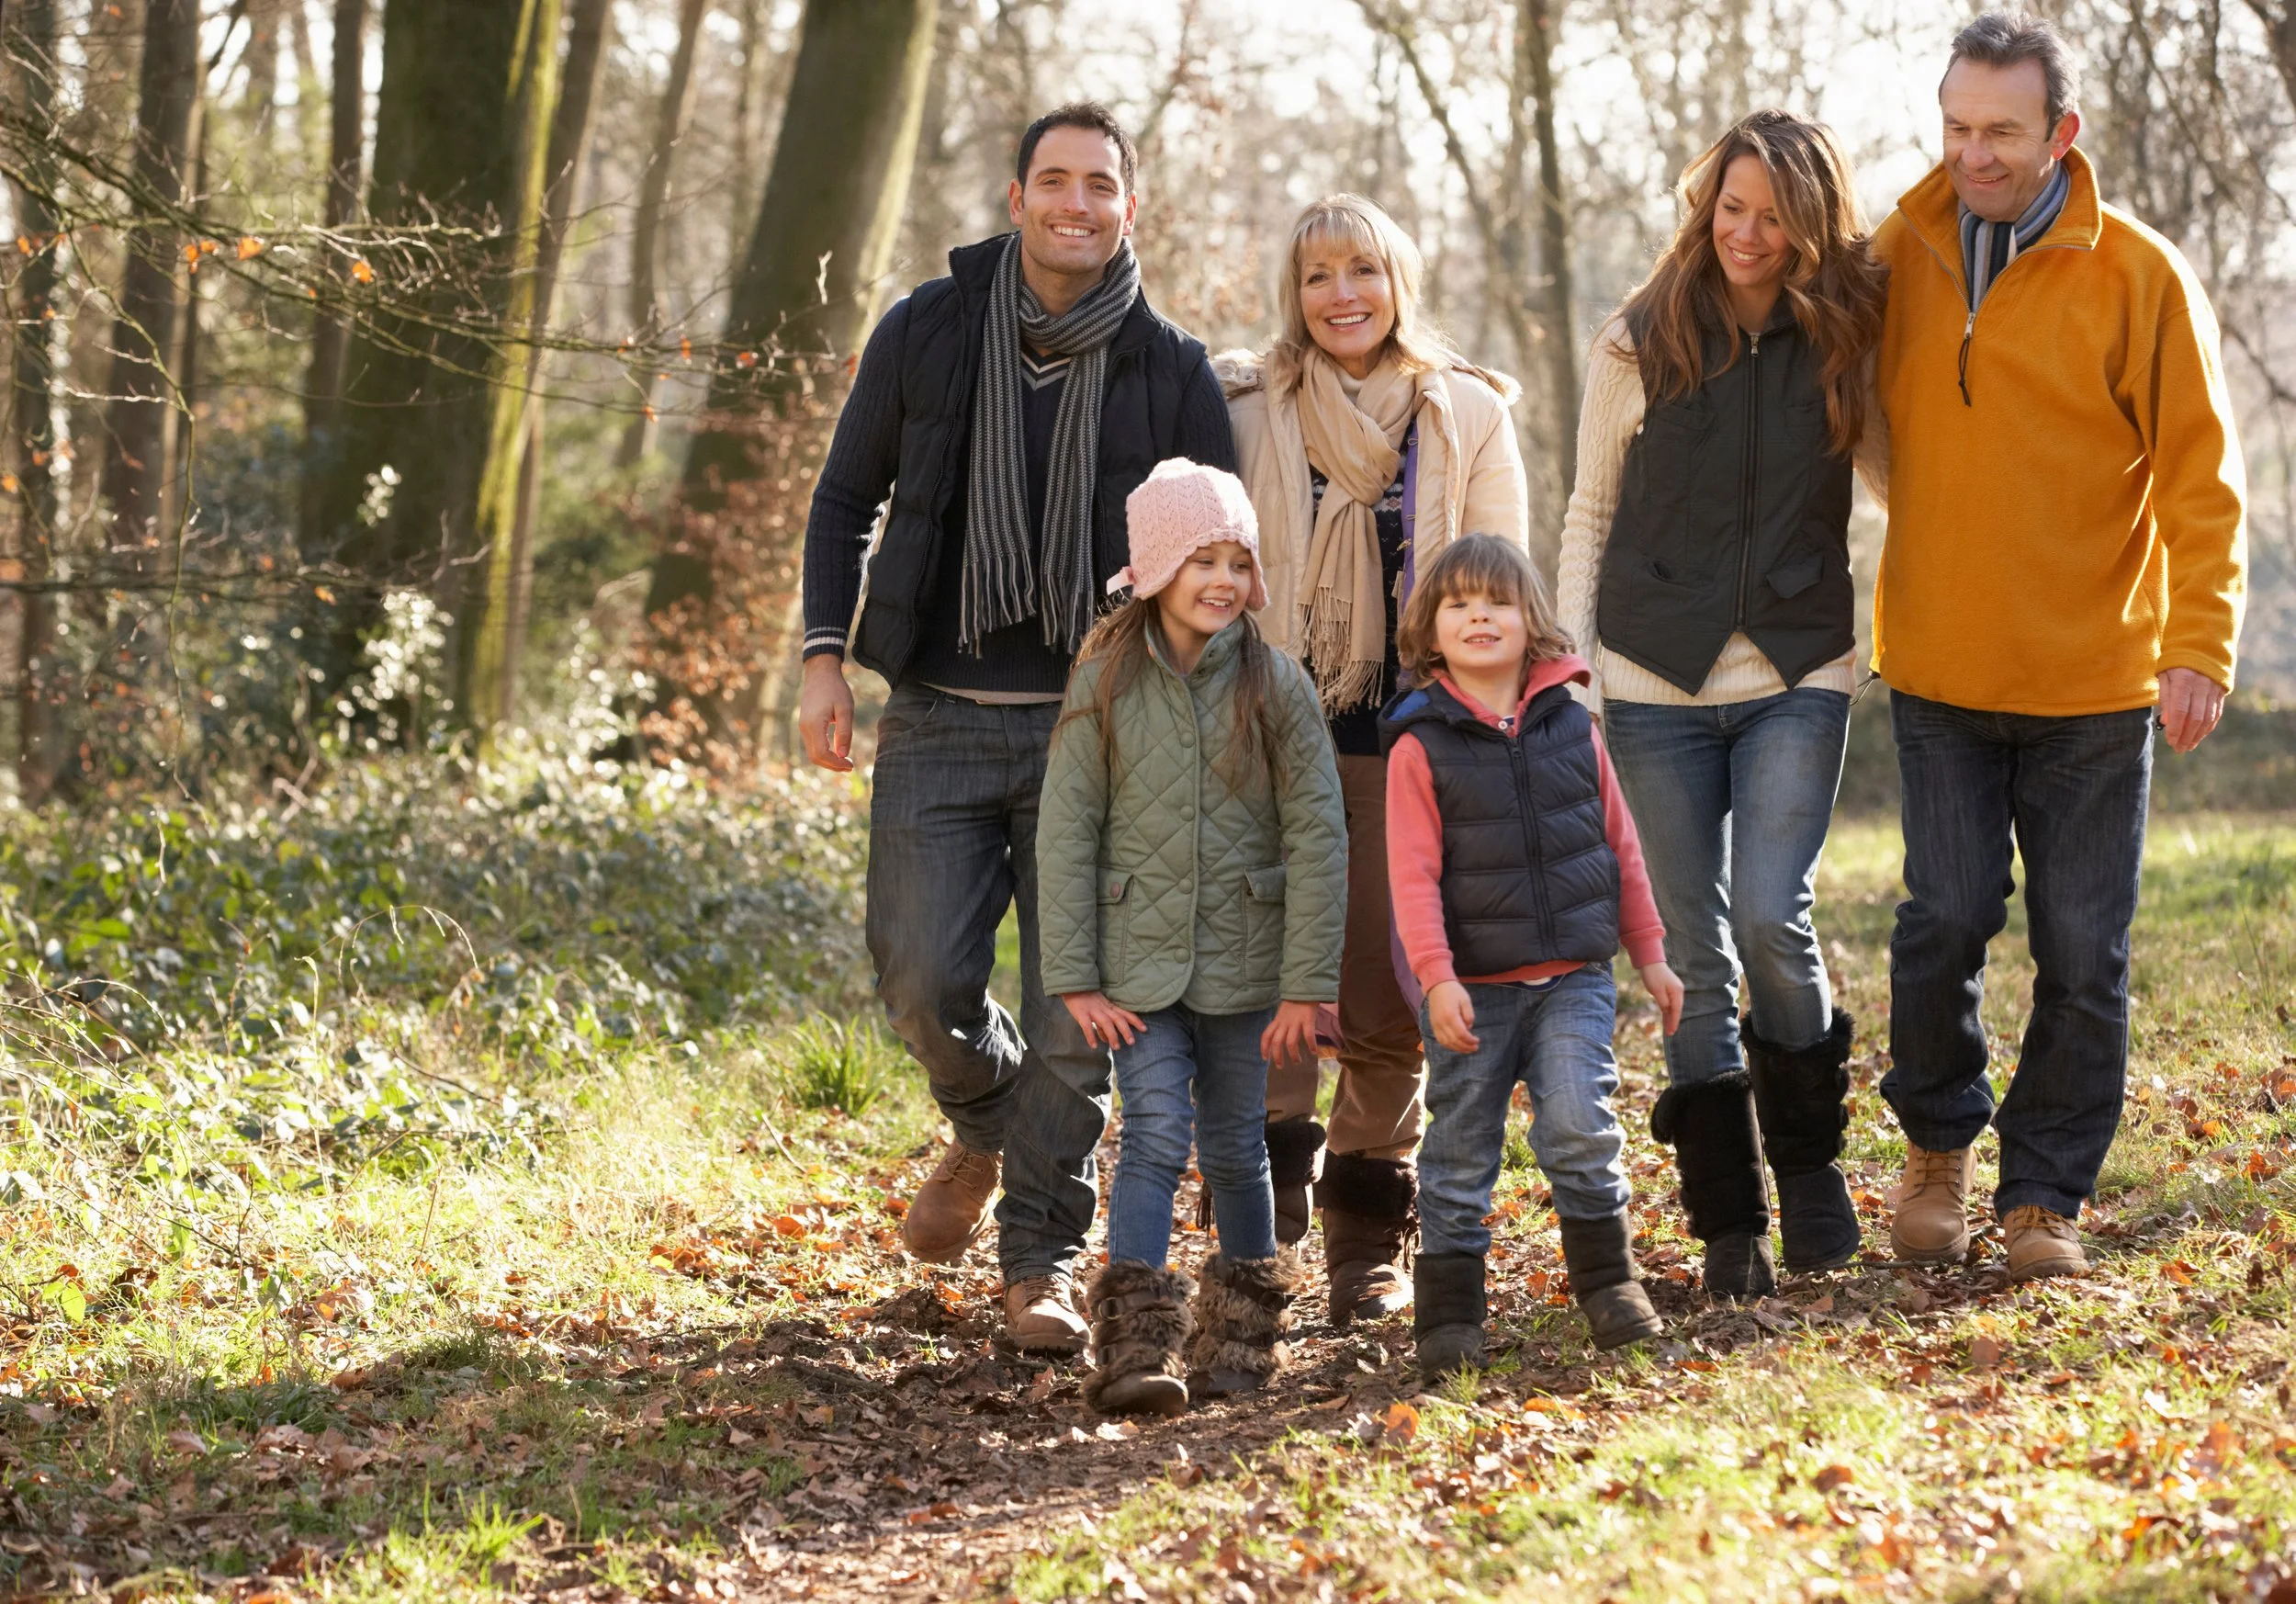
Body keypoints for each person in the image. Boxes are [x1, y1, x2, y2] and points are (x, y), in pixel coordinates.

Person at [796, 104, 1237, 1350]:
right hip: (934, 713)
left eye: (1101, 185)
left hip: (1096, 731)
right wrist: (825, 658)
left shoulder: (1172, 368)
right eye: (1056, 180)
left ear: (1128, 209)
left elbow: (1214, 563)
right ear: (1016, 195)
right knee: (920, 972)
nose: (1077, 203)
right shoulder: (927, 332)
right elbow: (843, 503)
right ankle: (987, 1119)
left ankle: (1040, 1260)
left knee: (1072, 1009)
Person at [1874, 13, 2245, 1280]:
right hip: (1936, 669)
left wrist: (2199, 643)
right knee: (1943, 921)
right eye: (1957, 127)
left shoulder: (2138, 275)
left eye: (2002, 132)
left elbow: (2203, 481)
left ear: (2062, 134)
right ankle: (1935, 1152)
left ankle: (2042, 1198)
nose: (1974, 154)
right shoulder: (1901, 252)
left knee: (2084, 951)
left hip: (2096, 682)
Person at [1555, 110, 1889, 1300]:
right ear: (1707, 208)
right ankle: (1729, 1218)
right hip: (1650, 683)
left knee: (1767, 914)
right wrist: (1577, 676)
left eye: (1774, 215)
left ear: (1812, 224)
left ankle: (1807, 1169)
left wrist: (1883, 632)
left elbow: (1909, 488)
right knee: (1691, 954)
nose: (1747, 234)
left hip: (1797, 670)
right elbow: (1590, 512)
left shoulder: (1847, 338)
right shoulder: (1639, 339)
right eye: (1730, 208)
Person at [1219, 194, 1530, 1324]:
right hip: (1271, 734)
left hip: (1414, 740)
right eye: (1315, 277)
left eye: (1361, 270)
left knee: (1391, 990)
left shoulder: (1467, 416)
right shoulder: (1249, 410)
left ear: (1399, 279)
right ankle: (1260, 1231)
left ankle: (1365, 1237)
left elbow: (1504, 582)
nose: (1339, 294)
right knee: (1267, 976)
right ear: (1292, 298)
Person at [1037, 459, 1346, 1415]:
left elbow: (1318, 832)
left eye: (1235, 561)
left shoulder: (1276, 683)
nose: (1221, 580)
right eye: (1200, 560)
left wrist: (1308, 983)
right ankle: (1133, 1345)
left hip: (1249, 964)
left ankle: (1243, 1338)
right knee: (1153, 1137)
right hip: (1136, 964)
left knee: (1238, 1147)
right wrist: (1076, 977)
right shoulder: (1105, 680)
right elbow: (1066, 828)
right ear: (1156, 569)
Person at [1382, 535, 1683, 1371]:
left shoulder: (1571, 726)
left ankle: (1612, 1285)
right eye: (1459, 603)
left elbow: (1618, 844)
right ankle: (1448, 1317)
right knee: (1458, 1152)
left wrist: (1650, 952)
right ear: (1430, 630)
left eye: (1499, 601)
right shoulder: (1420, 745)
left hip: (1574, 981)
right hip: (1473, 989)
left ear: (1531, 620)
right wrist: (1436, 980)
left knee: (1582, 1125)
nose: (1480, 615)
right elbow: (1412, 879)